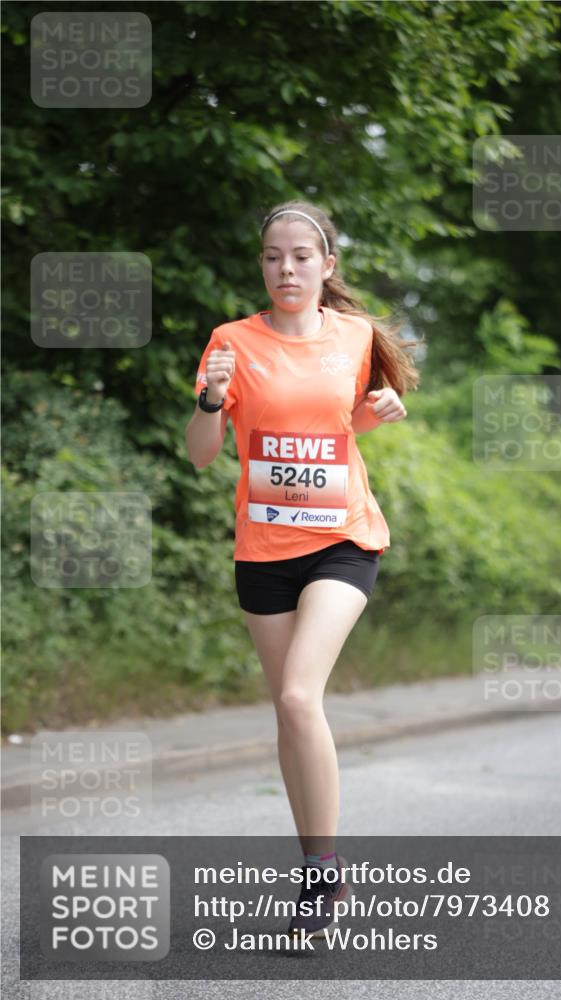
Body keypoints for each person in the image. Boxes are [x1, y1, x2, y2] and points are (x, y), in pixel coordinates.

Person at [185, 199, 420, 936]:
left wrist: (379, 411)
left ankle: (322, 880)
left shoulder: (355, 336)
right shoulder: (230, 341)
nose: (284, 269)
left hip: (342, 538)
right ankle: (318, 864)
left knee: (294, 696)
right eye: (271, 257)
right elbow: (200, 452)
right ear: (262, 265)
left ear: (326, 265)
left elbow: (343, 427)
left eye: (299, 256)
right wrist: (210, 398)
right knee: (294, 713)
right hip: (261, 550)